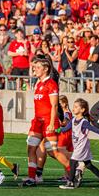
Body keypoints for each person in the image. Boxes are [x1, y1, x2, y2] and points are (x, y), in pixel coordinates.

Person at [23, 57, 70, 187]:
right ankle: (31, 178)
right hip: (37, 121)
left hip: (49, 121)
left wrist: (51, 123)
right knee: (31, 148)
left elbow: (54, 106)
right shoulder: (38, 84)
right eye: (35, 67)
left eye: (38, 67)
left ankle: (72, 173)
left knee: (52, 151)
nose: (35, 69)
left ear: (45, 69)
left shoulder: (51, 84)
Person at [58, 99, 99, 189]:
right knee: (88, 164)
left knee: (72, 161)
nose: (74, 108)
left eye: (76, 107)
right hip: (78, 146)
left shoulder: (84, 122)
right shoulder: (73, 120)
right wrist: (57, 129)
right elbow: (65, 129)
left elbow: (94, 129)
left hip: (82, 146)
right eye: (74, 106)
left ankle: (70, 182)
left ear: (82, 110)